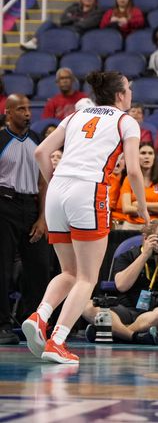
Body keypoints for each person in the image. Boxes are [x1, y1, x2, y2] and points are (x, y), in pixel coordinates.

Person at [24, 71, 148, 364]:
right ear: (120, 95)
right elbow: (132, 170)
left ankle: (40, 316)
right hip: (88, 191)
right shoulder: (126, 121)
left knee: (68, 272)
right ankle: (57, 341)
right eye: (128, 88)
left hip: (57, 190)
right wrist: (142, 207)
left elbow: (41, 152)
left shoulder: (75, 115)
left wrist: (53, 180)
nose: (131, 93)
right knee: (87, 277)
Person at [81, 220, 158, 343]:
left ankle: (116, 332)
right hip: (127, 310)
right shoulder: (129, 255)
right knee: (87, 306)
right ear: (145, 238)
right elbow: (121, 285)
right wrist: (144, 256)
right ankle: (134, 336)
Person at [0, 95, 50, 345]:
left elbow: (44, 181)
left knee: (40, 267)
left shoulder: (36, 140)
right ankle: (2, 325)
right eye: (21, 109)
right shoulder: (1, 139)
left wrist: (43, 217)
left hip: (31, 207)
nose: (28, 113)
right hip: (4, 204)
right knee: (3, 268)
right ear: (8, 113)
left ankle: (34, 322)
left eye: (29, 108)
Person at [22, 0, 103, 50]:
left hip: (77, 34)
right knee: (48, 23)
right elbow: (63, 20)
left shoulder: (98, 12)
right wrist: (78, 19)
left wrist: (72, 18)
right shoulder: (74, 7)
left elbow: (84, 25)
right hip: (64, 28)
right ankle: (34, 42)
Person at [120, 142, 158, 231]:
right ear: (136, 156)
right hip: (132, 226)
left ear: (154, 157)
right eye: (143, 153)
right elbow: (126, 208)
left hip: (155, 226)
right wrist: (155, 209)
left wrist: (139, 205)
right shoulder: (129, 179)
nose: (147, 156)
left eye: (150, 153)